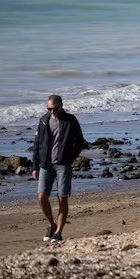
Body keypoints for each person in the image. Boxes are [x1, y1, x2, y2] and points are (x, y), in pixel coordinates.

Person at [32, 95, 86, 242]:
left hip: (63, 164)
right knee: (41, 197)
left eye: (54, 109)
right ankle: (52, 225)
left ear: (61, 106)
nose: (51, 112)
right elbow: (37, 144)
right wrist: (35, 166)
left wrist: (70, 157)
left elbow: (80, 142)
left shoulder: (70, 120)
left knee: (62, 198)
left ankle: (59, 233)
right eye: (48, 109)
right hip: (45, 165)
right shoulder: (43, 120)